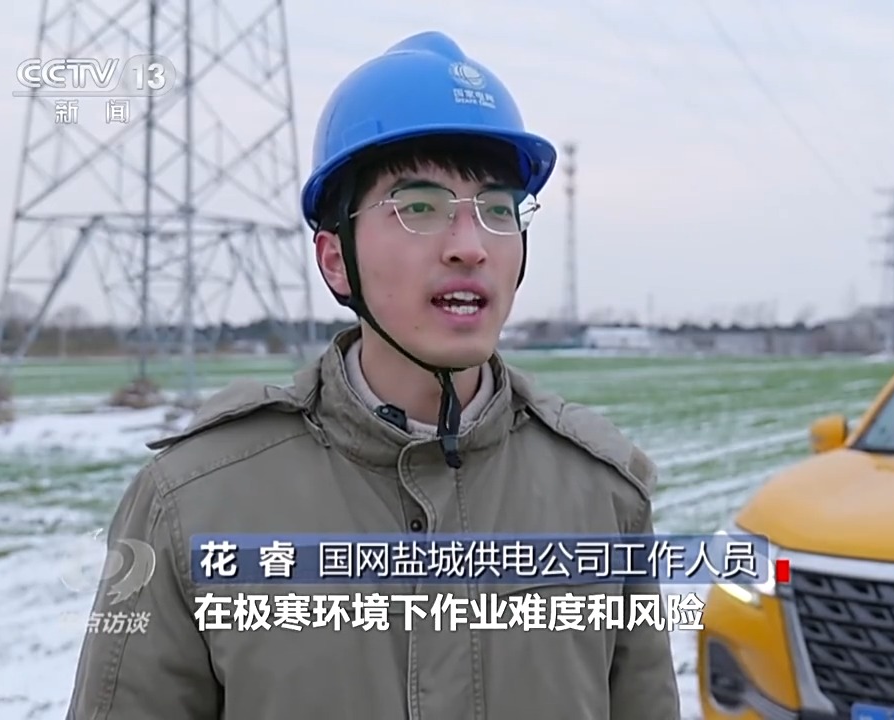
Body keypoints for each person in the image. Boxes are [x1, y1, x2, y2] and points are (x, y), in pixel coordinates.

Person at [64, 30, 681, 720]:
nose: (470, 246)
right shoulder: (195, 500)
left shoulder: (601, 495)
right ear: (335, 260)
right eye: (419, 207)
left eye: (497, 209)